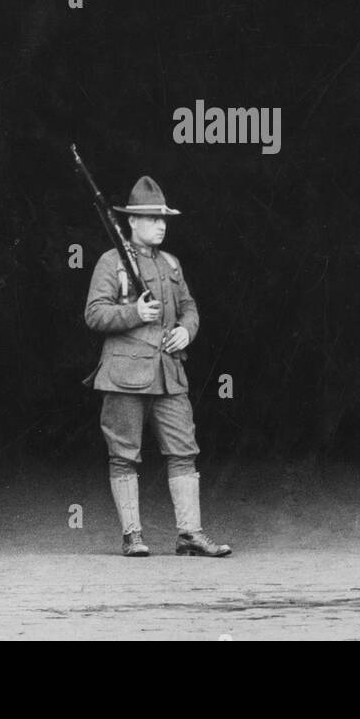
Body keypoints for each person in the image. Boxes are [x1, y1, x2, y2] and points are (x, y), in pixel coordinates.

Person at [83, 175, 232, 558]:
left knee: (184, 450)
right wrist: (135, 312)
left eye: (163, 218)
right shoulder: (111, 262)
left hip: (169, 373)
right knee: (124, 454)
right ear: (132, 222)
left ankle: (190, 534)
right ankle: (132, 535)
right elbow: (95, 315)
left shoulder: (171, 263)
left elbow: (190, 308)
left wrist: (186, 331)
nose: (161, 225)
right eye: (152, 218)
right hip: (125, 375)